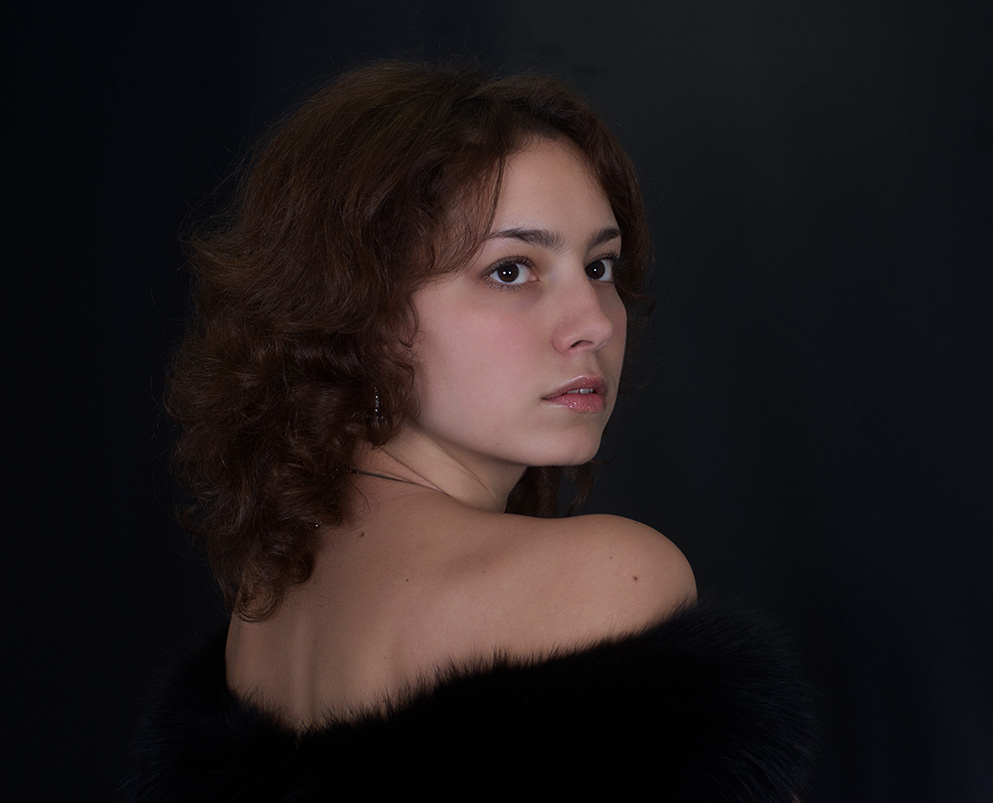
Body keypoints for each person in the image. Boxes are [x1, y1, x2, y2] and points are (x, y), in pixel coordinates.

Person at [126, 61, 815, 801]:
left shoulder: (266, 602)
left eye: (600, 265)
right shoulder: (609, 578)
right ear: (360, 312)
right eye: (511, 271)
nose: (592, 322)